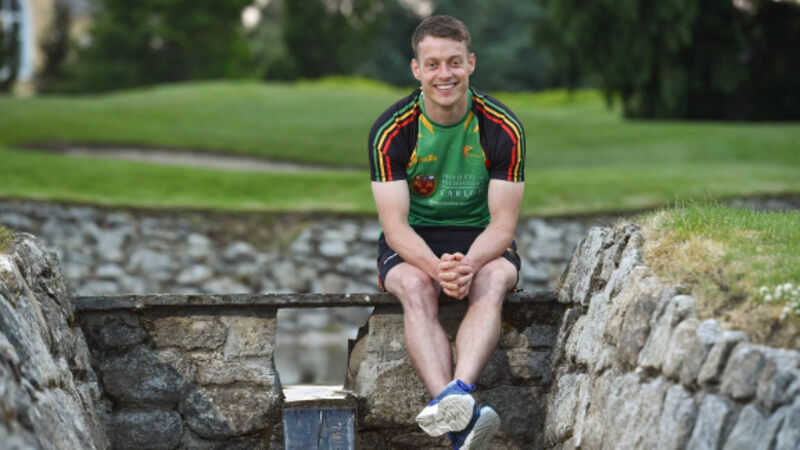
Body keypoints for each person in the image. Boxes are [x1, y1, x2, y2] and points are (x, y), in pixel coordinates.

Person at [367, 14, 525, 450]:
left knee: (494, 278)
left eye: (454, 62)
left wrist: (468, 264)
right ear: (416, 69)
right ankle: (461, 420)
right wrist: (438, 270)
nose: (445, 74)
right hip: (416, 240)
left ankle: (456, 395)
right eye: (433, 64)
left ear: (471, 63)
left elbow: (503, 223)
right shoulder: (391, 130)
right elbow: (395, 227)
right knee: (415, 287)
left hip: (481, 238)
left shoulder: (502, 127)